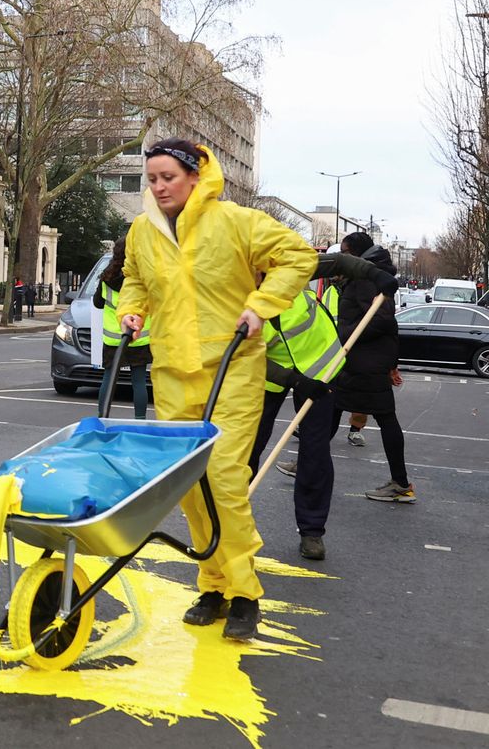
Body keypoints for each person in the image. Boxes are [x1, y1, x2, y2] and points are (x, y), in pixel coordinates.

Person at [117, 138, 315, 641]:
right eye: (152, 179)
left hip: (232, 369)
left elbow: (297, 256)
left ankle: (246, 593)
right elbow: (135, 279)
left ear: (194, 174)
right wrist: (131, 310)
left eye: (168, 177)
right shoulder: (143, 230)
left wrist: (262, 304)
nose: (159, 187)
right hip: (172, 370)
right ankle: (213, 585)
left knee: (224, 479)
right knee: (189, 486)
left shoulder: (235, 221)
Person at [249, 251, 397, 560]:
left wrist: (374, 274)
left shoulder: (290, 271)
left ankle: (312, 531)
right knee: (246, 451)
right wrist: (296, 382)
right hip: (267, 378)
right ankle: (230, 521)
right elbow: (248, 357)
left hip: (322, 369)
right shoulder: (229, 299)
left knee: (315, 453)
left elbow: (340, 262)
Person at [333, 231, 414, 503]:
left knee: (382, 417)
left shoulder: (367, 279)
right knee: (330, 405)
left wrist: (347, 335)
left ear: (355, 254)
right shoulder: (364, 277)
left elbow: (382, 320)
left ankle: (401, 484)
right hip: (362, 361)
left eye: (344, 252)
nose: (341, 257)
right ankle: (310, 461)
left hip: (365, 362)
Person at [92, 235, 150, 420]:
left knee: (108, 380)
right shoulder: (140, 278)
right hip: (138, 337)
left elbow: (98, 303)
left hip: (113, 339)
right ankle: (140, 420)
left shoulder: (106, 279)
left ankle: (103, 418)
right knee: (139, 382)